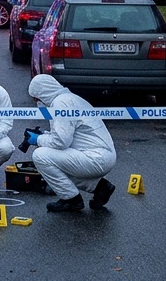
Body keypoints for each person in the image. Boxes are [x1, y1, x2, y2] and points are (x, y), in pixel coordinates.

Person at [24, 74, 117, 213]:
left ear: (43, 94)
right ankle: (99, 187)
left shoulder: (60, 103)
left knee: (41, 156)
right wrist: (44, 135)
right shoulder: (70, 98)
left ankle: (71, 199)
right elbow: (68, 135)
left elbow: (61, 142)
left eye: (36, 99)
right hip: (101, 155)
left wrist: (37, 139)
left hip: (95, 158)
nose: (36, 102)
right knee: (55, 163)